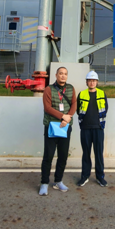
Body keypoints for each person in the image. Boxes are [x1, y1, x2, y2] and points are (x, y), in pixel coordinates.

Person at [39, 66, 76, 196]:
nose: (63, 76)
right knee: (48, 156)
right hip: (51, 126)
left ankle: (58, 181)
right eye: (60, 73)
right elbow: (47, 108)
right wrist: (62, 116)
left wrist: (67, 118)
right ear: (56, 75)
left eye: (65, 74)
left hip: (65, 126)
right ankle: (44, 183)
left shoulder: (70, 88)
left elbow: (74, 104)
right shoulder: (48, 89)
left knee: (63, 156)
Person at [77, 70, 109, 187]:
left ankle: (100, 177)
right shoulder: (81, 94)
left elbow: (106, 108)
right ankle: (84, 176)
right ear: (86, 82)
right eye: (90, 80)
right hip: (85, 128)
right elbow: (78, 109)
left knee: (98, 154)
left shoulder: (102, 93)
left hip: (98, 128)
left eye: (94, 80)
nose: (92, 82)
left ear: (97, 82)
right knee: (86, 153)